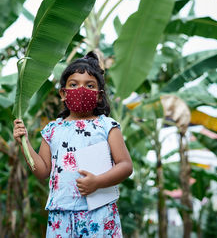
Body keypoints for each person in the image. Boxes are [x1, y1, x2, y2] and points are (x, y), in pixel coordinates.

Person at [13, 51, 133, 237]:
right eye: (74, 84)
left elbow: (125, 166)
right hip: (61, 214)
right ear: (63, 92)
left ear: (100, 96)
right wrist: (24, 143)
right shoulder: (52, 129)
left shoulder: (107, 126)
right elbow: (43, 171)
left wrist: (97, 182)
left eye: (90, 85)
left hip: (99, 213)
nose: (81, 90)